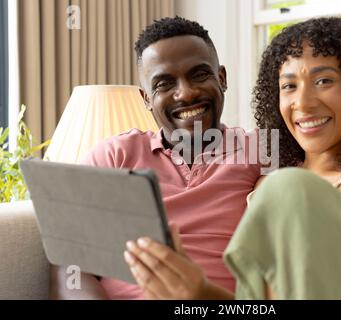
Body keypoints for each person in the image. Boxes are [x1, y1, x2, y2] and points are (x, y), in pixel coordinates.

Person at [124, 17, 341, 299]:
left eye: (324, 80)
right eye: (289, 86)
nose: (303, 102)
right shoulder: (267, 170)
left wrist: (201, 294)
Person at [49, 16, 261, 300]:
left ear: (221, 78)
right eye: (164, 84)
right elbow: (70, 262)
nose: (185, 93)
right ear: (146, 98)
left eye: (199, 74)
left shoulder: (261, 151)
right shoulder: (114, 156)